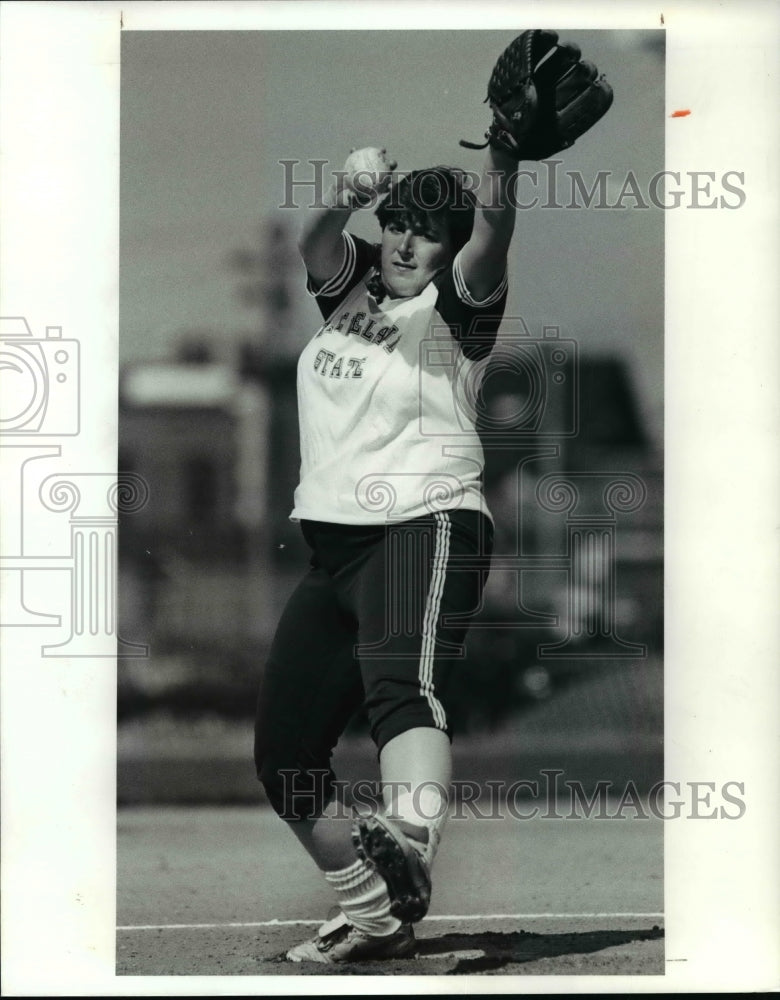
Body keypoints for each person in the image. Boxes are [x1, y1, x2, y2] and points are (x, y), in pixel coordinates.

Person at [253, 139, 522, 964]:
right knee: (285, 755)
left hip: (426, 521)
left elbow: (494, 238)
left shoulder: (456, 308)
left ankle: (410, 834)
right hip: (332, 547)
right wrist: (343, 190)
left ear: (447, 249)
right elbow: (316, 244)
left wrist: (505, 163)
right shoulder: (359, 284)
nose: (408, 243)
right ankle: (374, 915)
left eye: (428, 232)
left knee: (402, 688)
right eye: (398, 223)